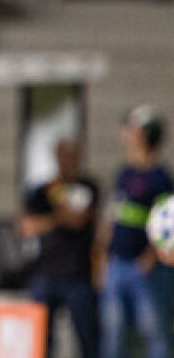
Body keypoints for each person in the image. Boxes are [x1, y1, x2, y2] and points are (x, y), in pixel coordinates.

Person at [98, 106, 173, 358]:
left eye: (132, 130)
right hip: (117, 263)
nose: (126, 135)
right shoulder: (124, 173)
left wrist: (151, 256)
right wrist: (103, 255)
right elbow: (113, 216)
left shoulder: (160, 178)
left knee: (154, 330)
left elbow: (167, 224)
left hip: (145, 270)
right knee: (113, 331)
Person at [19, 139, 99, 358]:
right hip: (45, 273)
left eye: (72, 156)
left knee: (87, 336)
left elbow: (80, 221)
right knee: (41, 337)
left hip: (78, 275)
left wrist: (59, 217)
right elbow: (27, 226)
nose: (68, 162)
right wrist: (58, 217)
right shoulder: (42, 190)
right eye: (63, 156)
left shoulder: (88, 187)